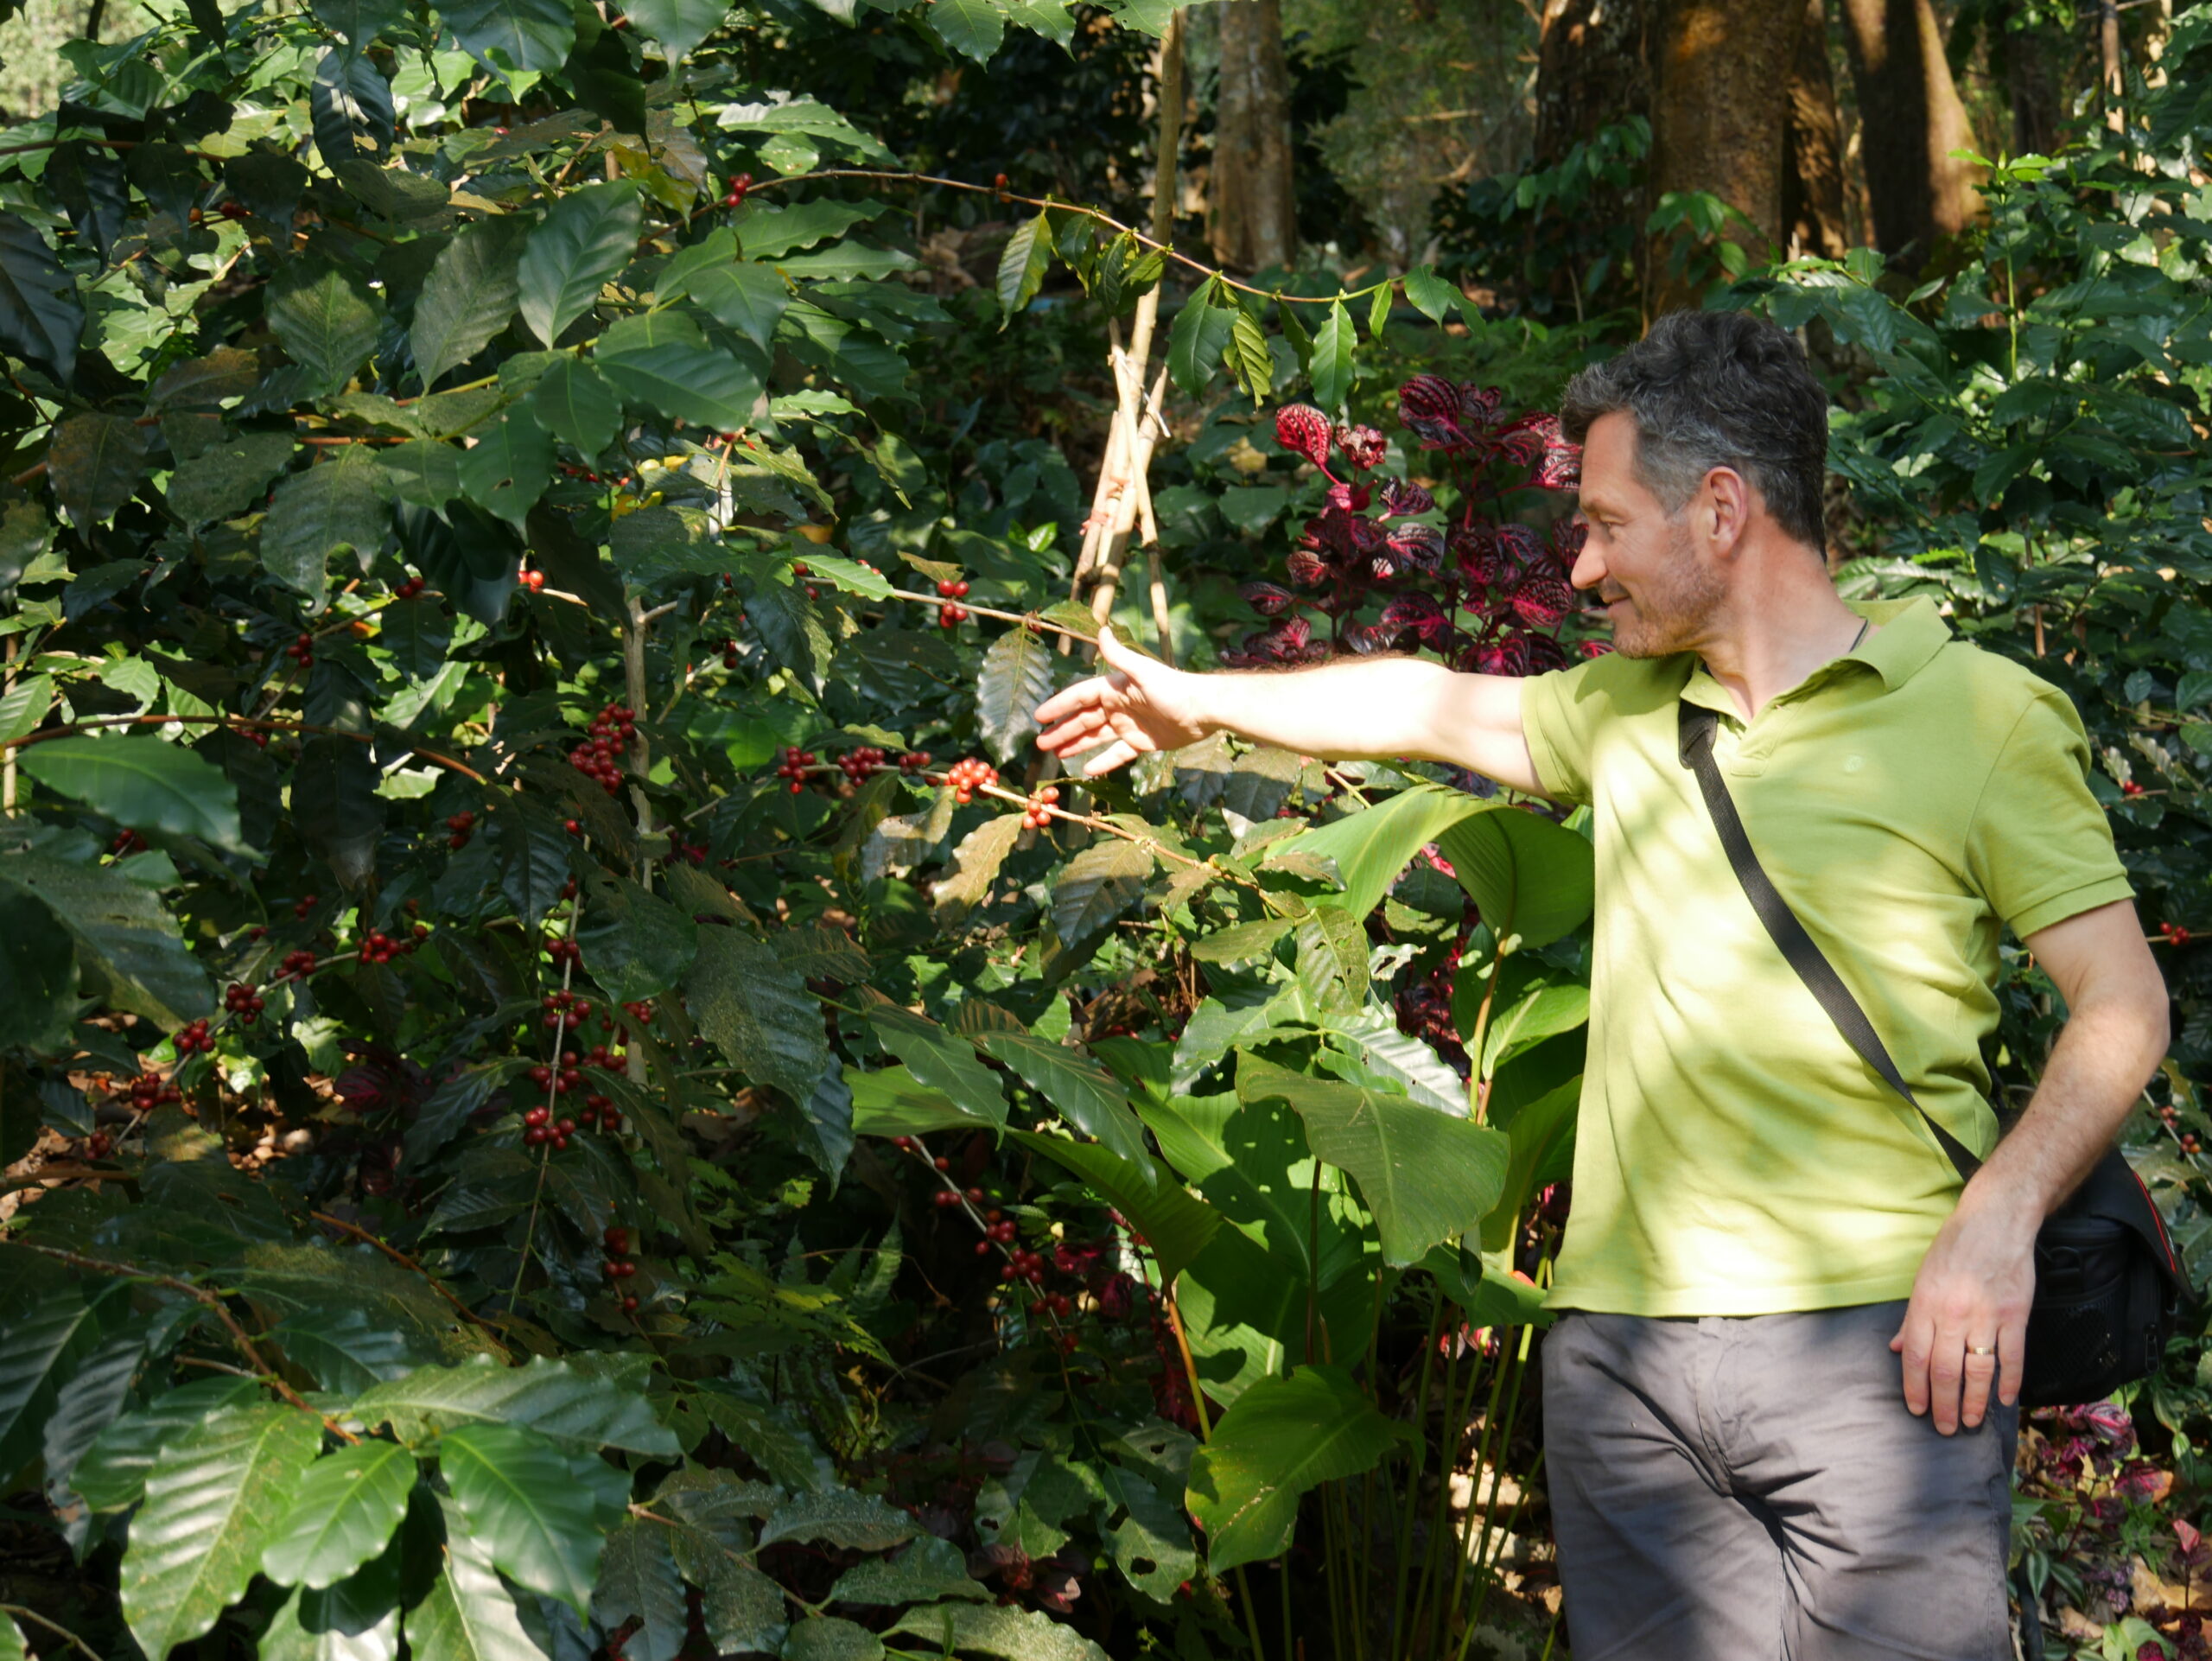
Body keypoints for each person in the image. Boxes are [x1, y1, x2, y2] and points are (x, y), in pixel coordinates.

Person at [1032, 309, 2171, 1659]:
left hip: (1886, 1349)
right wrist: (1202, 701)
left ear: (1723, 512)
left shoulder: (1977, 714)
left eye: (1608, 524)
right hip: (1624, 1371)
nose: (1580, 567)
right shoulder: (1628, 711)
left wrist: (1997, 1222)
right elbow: (1428, 705)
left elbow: (2123, 1001)